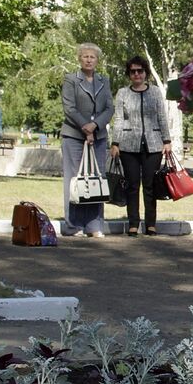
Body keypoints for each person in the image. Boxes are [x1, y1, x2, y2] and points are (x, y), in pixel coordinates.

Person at [110, 56, 170, 235]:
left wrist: (166, 141)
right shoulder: (122, 93)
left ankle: (151, 223)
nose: (136, 74)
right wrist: (115, 142)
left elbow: (161, 116)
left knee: (150, 184)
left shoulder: (155, 92)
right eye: (133, 71)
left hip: (153, 145)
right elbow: (119, 119)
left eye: (140, 71)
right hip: (129, 146)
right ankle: (133, 223)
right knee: (132, 185)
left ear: (146, 73)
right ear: (129, 74)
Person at [61, 42, 113, 238]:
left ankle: (94, 224)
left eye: (92, 57)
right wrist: (85, 127)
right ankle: (73, 225)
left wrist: (95, 126)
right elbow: (69, 108)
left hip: (98, 136)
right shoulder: (70, 79)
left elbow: (109, 108)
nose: (89, 60)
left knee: (96, 179)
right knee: (75, 180)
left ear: (97, 60)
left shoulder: (104, 80)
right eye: (85, 56)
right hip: (74, 135)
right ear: (79, 58)